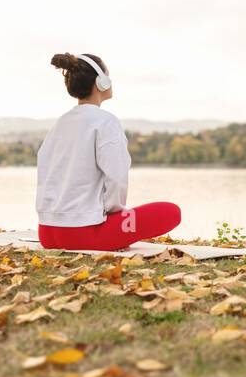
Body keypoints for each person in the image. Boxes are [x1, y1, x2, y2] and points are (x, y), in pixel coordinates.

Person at [35, 52, 181, 250]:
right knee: (171, 212)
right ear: (101, 82)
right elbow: (117, 177)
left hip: (47, 233)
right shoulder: (106, 121)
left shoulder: (58, 124)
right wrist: (114, 213)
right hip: (83, 235)